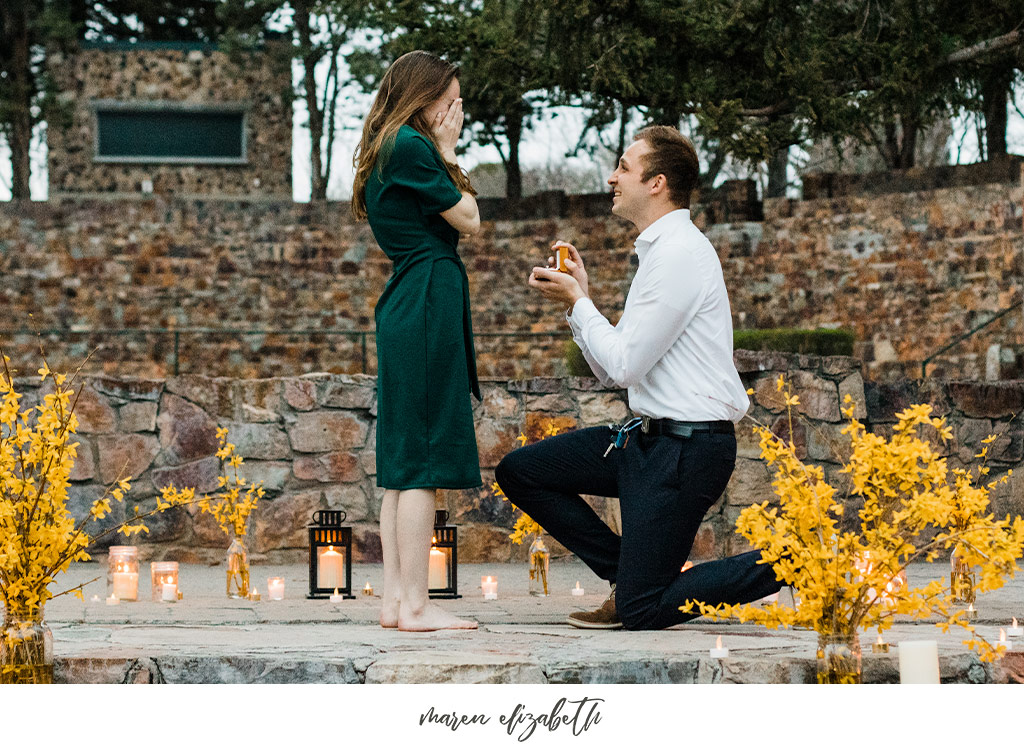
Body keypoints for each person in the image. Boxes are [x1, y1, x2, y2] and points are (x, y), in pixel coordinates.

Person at [495, 125, 782, 630]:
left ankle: (787, 561)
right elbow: (617, 371)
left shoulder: (678, 255)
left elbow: (624, 366)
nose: (612, 177)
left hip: (687, 452)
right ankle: (626, 574)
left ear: (657, 183)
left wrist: (580, 304)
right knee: (522, 472)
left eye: (624, 167)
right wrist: (580, 301)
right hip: (646, 443)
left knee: (641, 611)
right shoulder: (659, 254)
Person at [352, 50, 480, 632]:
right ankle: (418, 606)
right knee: (420, 459)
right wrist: (450, 153)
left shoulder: (390, 143)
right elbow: (470, 218)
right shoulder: (410, 144)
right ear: (424, 97)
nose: (457, 111)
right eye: (450, 100)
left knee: (403, 461)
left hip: (413, 294)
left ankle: (396, 603)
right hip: (426, 293)